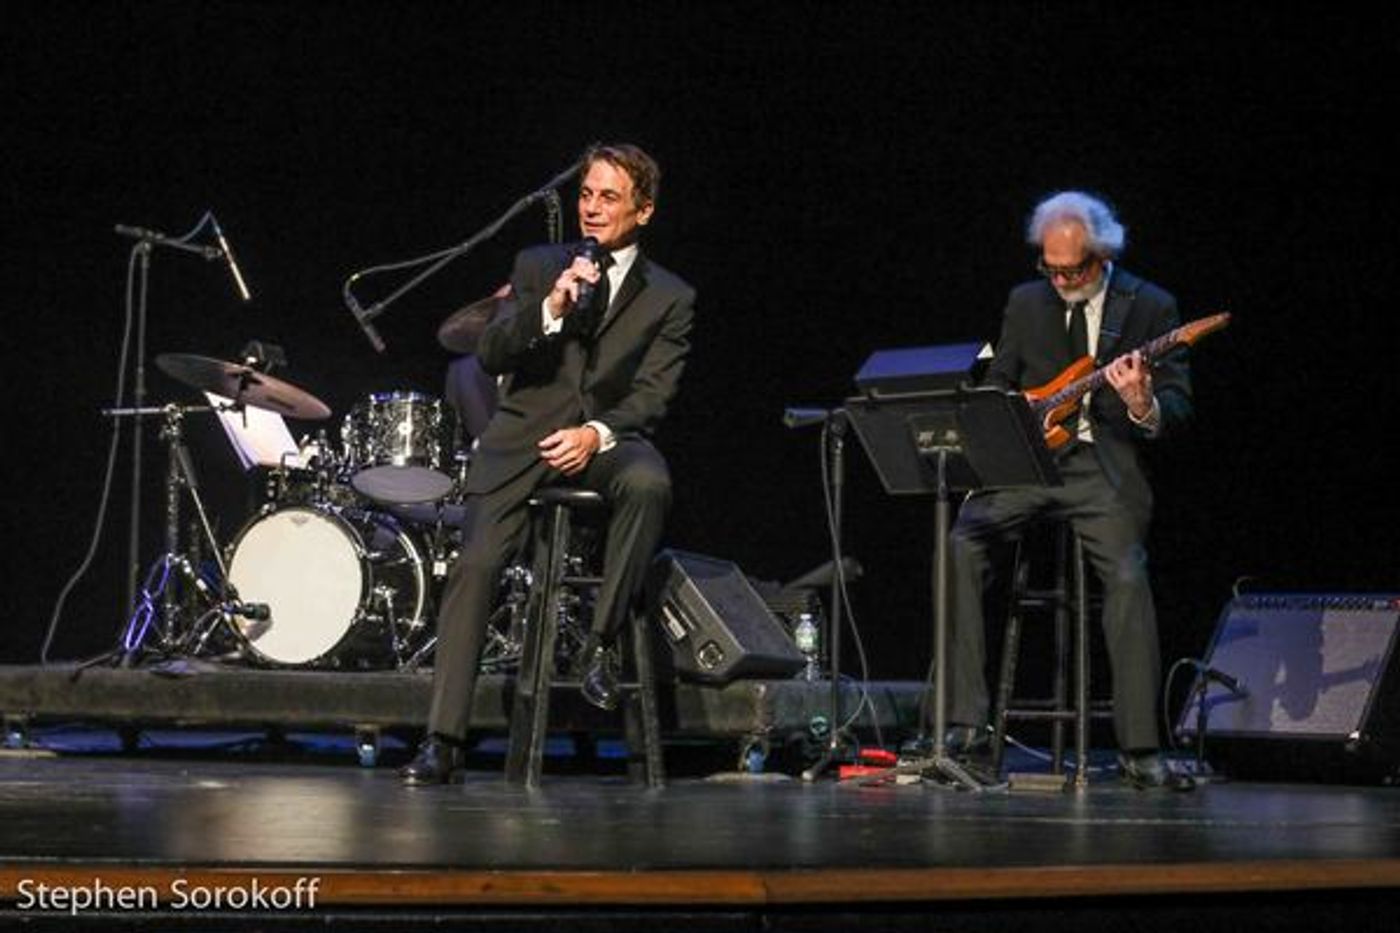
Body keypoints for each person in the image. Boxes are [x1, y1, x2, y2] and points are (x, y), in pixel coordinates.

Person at [401, 142, 696, 785]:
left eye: (609, 197)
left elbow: (653, 394)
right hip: (525, 439)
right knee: (475, 565)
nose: (592, 208)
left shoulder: (671, 296)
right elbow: (491, 353)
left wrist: (595, 434)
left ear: (642, 211)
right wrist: (552, 307)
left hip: (604, 440)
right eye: (586, 194)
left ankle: (601, 644)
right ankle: (441, 739)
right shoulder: (539, 265)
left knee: (649, 482)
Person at [945, 190, 1195, 790]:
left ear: (1102, 256)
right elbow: (1001, 380)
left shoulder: (1150, 306)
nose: (1061, 280)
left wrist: (1143, 404)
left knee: (1128, 572)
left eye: (1073, 269)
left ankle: (1139, 746)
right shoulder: (1025, 302)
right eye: (1050, 268)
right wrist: (1010, 413)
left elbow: (1179, 406)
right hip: (1031, 463)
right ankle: (962, 726)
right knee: (961, 542)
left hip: (1099, 468)